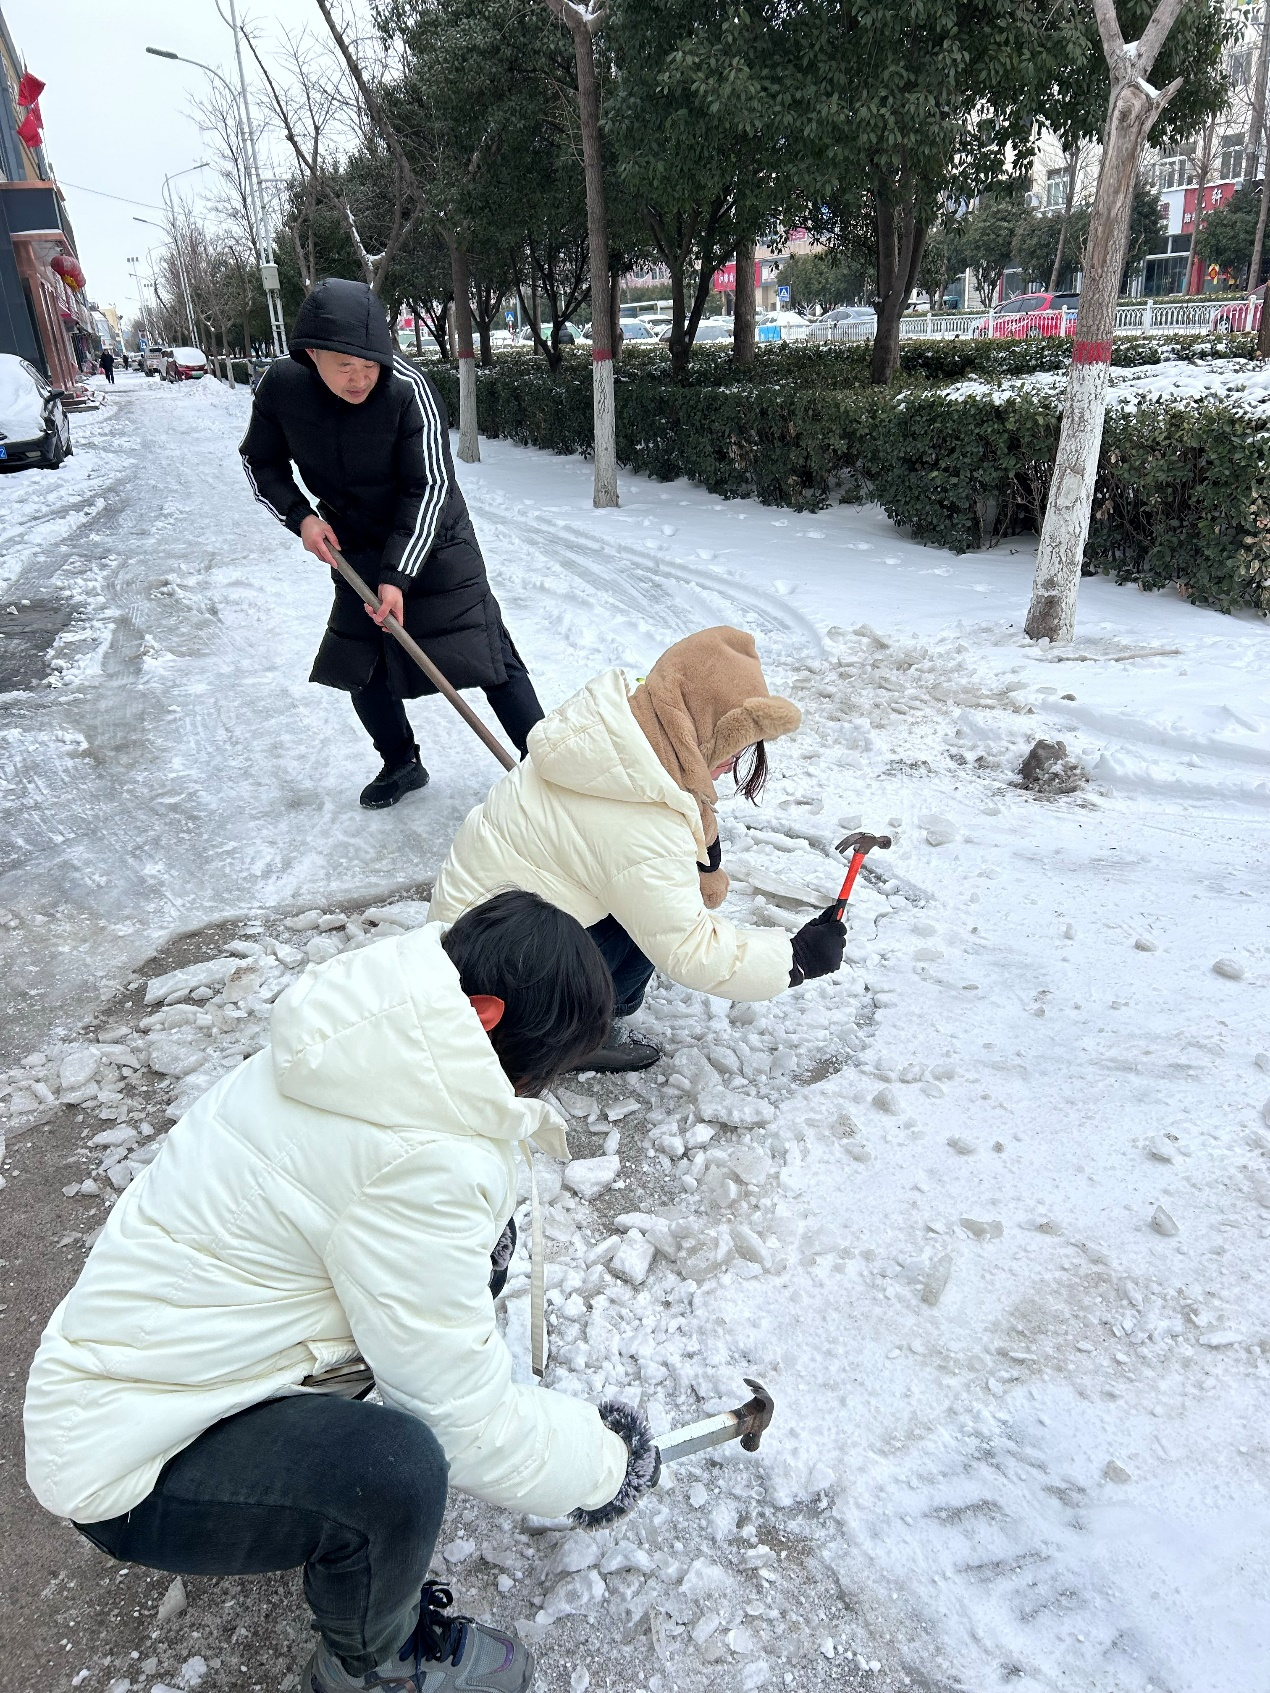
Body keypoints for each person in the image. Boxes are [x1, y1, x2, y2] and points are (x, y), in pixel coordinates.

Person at [24, 890, 662, 1693]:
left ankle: (307, 1470)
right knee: (397, 1469)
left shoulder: (369, 1040)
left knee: (468, 1270)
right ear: (488, 1015)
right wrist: (602, 1467)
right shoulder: (420, 1157)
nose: (536, 1091)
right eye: (542, 1069)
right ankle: (371, 1664)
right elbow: (460, 1424)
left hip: (134, 1383)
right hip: (130, 1460)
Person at [429, 626, 846, 1072]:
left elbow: (681, 801)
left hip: (474, 941)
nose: (730, 766)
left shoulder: (622, 732)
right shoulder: (640, 820)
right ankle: (576, 1034)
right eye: (728, 751)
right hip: (492, 993)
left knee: (648, 902)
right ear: (701, 731)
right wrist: (795, 960)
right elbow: (689, 949)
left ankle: (578, 1009)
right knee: (653, 920)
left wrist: (705, 849)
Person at [239, 277, 544, 809]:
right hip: (353, 542)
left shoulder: (407, 389)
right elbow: (259, 461)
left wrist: (398, 575)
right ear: (312, 354)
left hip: (434, 538)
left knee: (487, 653)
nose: (360, 378)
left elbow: (430, 484)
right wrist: (301, 518)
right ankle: (401, 760)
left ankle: (548, 769)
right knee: (362, 663)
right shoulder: (282, 387)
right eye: (344, 366)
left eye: (370, 364)